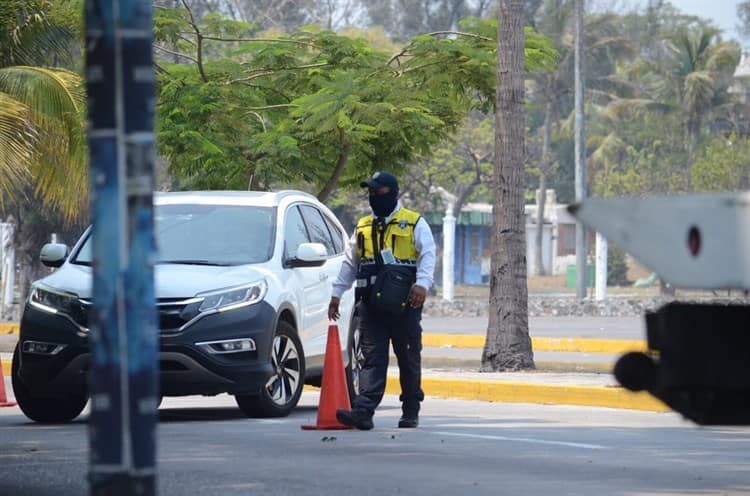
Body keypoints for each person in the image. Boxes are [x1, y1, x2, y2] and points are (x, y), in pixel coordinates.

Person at [328, 171, 436, 430]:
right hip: (370, 305)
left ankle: (410, 410)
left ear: (394, 192)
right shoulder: (363, 225)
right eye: (371, 192)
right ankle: (363, 411)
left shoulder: (413, 222)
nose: (374, 197)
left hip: (404, 305)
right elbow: (350, 262)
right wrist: (336, 293)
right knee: (372, 358)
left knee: (408, 358)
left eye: (379, 192)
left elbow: (429, 254)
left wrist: (422, 284)